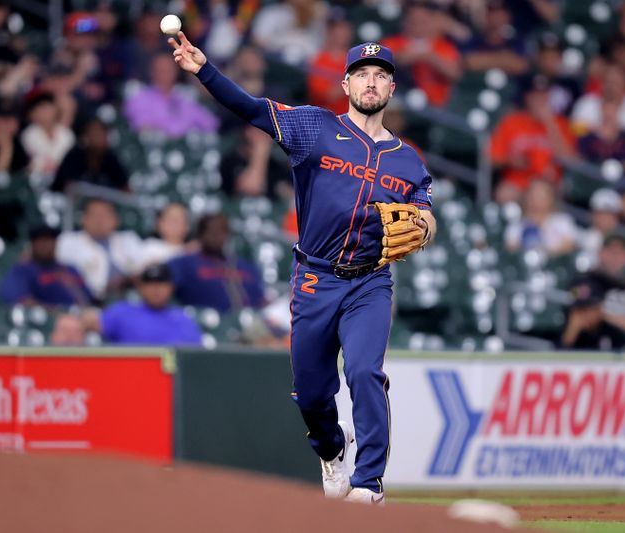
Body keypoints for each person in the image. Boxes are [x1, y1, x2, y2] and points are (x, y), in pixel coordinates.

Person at [170, 33, 436, 503]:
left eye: (381, 76)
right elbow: (252, 109)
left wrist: (427, 227)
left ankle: (368, 482)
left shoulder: (409, 160)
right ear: (346, 83)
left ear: (391, 90)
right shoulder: (315, 128)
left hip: (370, 281)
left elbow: (426, 210)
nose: (371, 83)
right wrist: (205, 71)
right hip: (316, 277)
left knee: (365, 372)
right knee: (312, 394)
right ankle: (332, 451)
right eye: (362, 75)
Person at [489, 75, 575, 203]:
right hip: (518, 183)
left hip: (549, 185)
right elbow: (492, 158)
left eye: (543, 96)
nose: (539, 101)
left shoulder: (561, 124)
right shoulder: (512, 121)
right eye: (535, 96)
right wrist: (510, 160)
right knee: (504, 193)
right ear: (527, 97)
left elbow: (569, 159)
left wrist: (550, 124)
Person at [83, 263, 202, 346]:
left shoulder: (183, 318)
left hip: (172, 379)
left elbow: (193, 358)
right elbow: (88, 323)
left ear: (171, 287)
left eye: (161, 283)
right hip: (130, 375)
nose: (156, 289)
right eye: (150, 283)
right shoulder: (123, 312)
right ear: (140, 288)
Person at [168, 213, 265, 313]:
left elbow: (261, 301)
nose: (216, 236)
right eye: (211, 231)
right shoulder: (184, 264)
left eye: (221, 231)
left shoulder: (246, 267)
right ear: (200, 234)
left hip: (249, 322)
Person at [56, 198, 142, 301]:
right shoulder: (68, 242)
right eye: (94, 215)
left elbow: (147, 265)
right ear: (83, 219)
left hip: (130, 298)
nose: (99, 220)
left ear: (116, 220)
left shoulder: (129, 239)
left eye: (104, 215)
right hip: (89, 303)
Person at [124, 53, 219, 138]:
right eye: (161, 70)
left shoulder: (184, 98)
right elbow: (142, 127)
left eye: (169, 70)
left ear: (175, 72)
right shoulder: (140, 98)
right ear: (152, 72)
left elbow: (211, 124)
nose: (166, 74)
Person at [0, 224, 92, 307]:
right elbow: (18, 299)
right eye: (40, 240)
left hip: (82, 318)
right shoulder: (23, 270)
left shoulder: (70, 269)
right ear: (32, 244)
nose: (45, 245)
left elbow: (91, 299)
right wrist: (54, 312)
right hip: (48, 322)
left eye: (49, 240)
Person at [51, 118, 129, 193]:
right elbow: (61, 185)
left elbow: (125, 190)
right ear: (86, 136)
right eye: (93, 133)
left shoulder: (112, 160)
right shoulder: (74, 156)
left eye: (100, 133)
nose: (96, 138)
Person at [559, 279, 625, 351]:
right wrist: (570, 334)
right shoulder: (562, 331)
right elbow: (555, 360)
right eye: (580, 309)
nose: (585, 315)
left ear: (600, 308)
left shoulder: (612, 332)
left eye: (590, 308)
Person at [504, 179, 577, 256]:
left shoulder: (563, 221)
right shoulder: (517, 224)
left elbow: (569, 247)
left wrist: (544, 253)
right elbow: (511, 249)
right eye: (533, 195)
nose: (536, 199)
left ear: (551, 198)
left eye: (541, 195)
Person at [138, 203, 193, 271]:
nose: (174, 223)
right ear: (159, 224)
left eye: (179, 219)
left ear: (187, 226)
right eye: (170, 219)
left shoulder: (194, 252)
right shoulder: (149, 247)